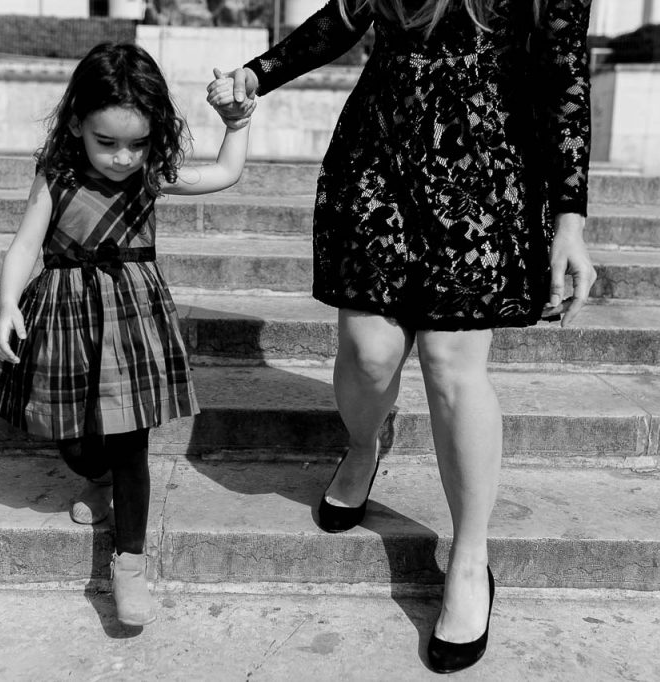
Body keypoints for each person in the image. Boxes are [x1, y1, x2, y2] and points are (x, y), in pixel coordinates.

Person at [207, 0, 595, 673]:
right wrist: (256, 74)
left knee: (451, 361)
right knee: (369, 352)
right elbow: (344, 15)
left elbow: (565, 74)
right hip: (375, 160)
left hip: (486, 169)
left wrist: (569, 220)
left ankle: (469, 560)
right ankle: (364, 445)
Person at [0, 43, 254, 627]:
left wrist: (236, 125)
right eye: (107, 142)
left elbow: (226, 174)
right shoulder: (54, 177)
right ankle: (94, 477)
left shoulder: (150, 175)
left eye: (138, 142)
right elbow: (25, 244)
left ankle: (129, 562)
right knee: (74, 440)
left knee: (132, 442)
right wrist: (7, 304)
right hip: (64, 314)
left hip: (132, 317)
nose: (123, 157)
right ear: (77, 124)